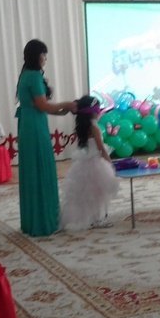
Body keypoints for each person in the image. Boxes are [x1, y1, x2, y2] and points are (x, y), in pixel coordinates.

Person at [15, 39, 77, 237]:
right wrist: (67, 104)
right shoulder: (34, 76)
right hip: (35, 126)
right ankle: (44, 222)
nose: (45, 59)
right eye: (43, 54)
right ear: (36, 55)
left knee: (32, 171)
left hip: (29, 123)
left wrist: (61, 110)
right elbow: (43, 106)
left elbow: (40, 107)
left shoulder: (25, 74)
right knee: (42, 169)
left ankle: (32, 221)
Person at [59, 96, 119, 230]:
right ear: (94, 112)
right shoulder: (94, 127)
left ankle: (92, 218)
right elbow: (101, 148)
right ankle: (97, 218)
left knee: (86, 193)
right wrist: (110, 163)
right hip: (96, 164)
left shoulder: (83, 127)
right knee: (98, 192)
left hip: (83, 163)